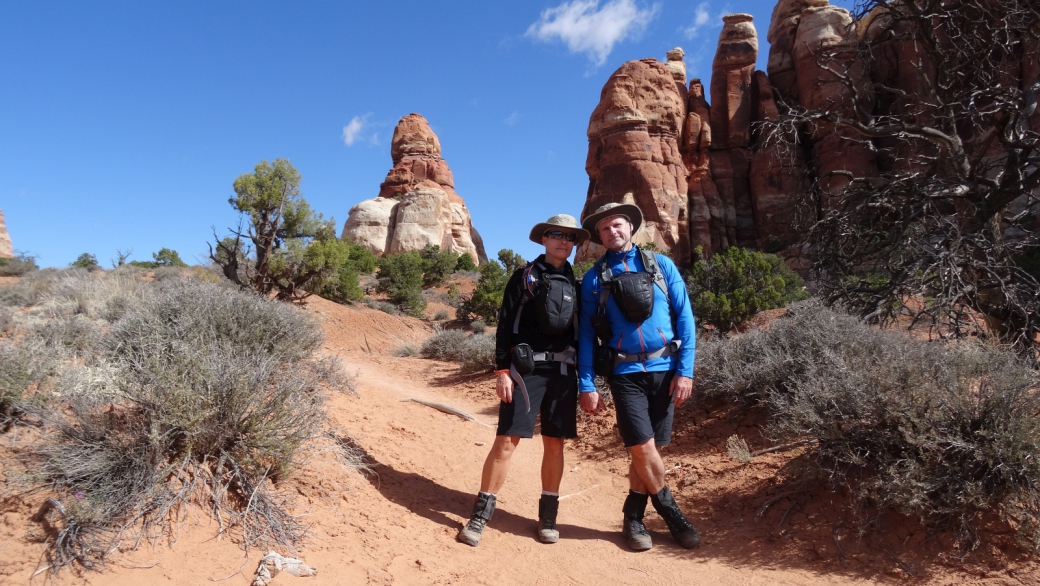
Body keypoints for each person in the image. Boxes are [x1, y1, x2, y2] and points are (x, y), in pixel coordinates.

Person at [457, 214, 590, 547]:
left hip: (563, 374)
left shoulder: (578, 285)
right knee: (506, 441)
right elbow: (504, 326)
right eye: (556, 234)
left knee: (555, 444)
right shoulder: (524, 277)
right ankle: (480, 515)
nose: (564, 241)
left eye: (570, 237)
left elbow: (585, 335)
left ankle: (548, 518)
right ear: (544, 239)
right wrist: (502, 370)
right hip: (525, 373)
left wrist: (588, 379)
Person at [576, 202, 700, 551]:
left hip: (665, 369)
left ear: (630, 227)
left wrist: (685, 371)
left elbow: (685, 319)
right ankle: (671, 512)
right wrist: (586, 383)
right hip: (624, 373)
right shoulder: (593, 278)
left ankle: (633, 517)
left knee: (651, 450)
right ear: (599, 237)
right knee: (642, 447)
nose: (612, 231)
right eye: (604, 228)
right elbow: (586, 334)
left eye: (617, 224)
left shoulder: (662, 265)